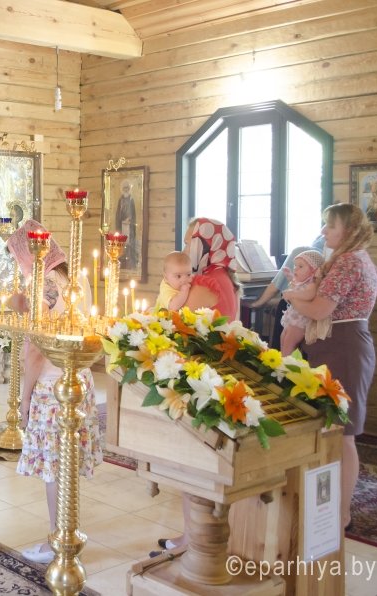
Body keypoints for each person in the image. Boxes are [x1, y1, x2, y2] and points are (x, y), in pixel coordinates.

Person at [6, 220, 102, 564]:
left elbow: (35, 349)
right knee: (68, 464)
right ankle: (68, 530)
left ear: (27, 251)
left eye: (16, 256)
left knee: (54, 468)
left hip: (51, 386)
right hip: (80, 378)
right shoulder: (75, 278)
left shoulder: (40, 284)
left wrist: (24, 398)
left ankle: (58, 541)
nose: (17, 264)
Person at [283, 203, 377, 530]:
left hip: (344, 348)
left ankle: (341, 514)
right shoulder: (352, 258)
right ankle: (327, 507)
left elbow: (320, 309)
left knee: (342, 433)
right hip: (337, 347)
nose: (324, 231)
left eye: (330, 225)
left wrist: (292, 297)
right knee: (332, 430)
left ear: (348, 230)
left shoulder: (349, 261)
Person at [154, 217, 241, 556]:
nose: (186, 247)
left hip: (201, 372)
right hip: (215, 370)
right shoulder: (223, 278)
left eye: (191, 240)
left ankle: (194, 541)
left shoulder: (205, 281)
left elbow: (177, 324)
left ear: (206, 245)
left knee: (194, 461)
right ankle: (194, 537)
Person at [279, 250, 327, 355]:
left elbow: (308, 295)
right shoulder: (302, 282)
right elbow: (295, 285)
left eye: (300, 266)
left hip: (300, 322)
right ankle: (283, 359)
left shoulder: (312, 284)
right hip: (292, 319)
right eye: (295, 266)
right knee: (283, 338)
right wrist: (290, 277)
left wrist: (292, 294)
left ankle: (286, 361)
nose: (296, 268)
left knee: (289, 342)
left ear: (313, 270)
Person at [115, 179, 138, 270]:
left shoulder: (131, 200)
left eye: (127, 188)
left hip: (129, 226)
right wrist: (120, 222)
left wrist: (130, 220)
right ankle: (121, 264)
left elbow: (133, 214)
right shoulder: (120, 200)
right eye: (124, 188)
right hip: (122, 226)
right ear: (122, 189)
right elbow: (118, 214)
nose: (126, 189)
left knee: (130, 244)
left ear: (129, 189)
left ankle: (130, 264)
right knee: (122, 244)